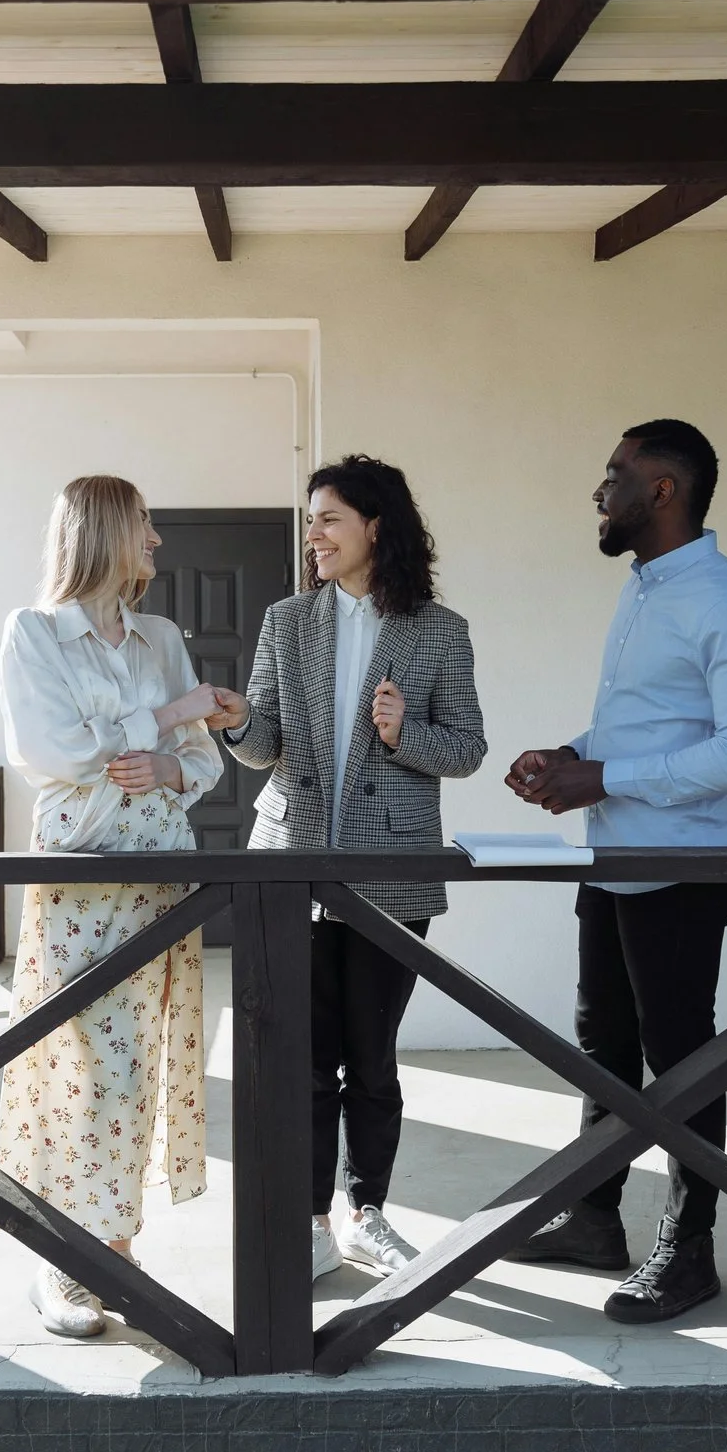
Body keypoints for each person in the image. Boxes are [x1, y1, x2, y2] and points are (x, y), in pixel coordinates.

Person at [502, 419, 727, 1324]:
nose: (601, 489)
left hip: (685, 864)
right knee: (605, 1047)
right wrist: (569, 756)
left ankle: (690, 1250)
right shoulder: (645, 588)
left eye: (616, 473)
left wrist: (605, 777)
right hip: (615, 856)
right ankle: (594, 1219)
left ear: (663, 490)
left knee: (682, 1060)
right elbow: (645, 726)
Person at [209, 455, 487, 1282]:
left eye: (329, 518)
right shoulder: (287, 620)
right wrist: (239, 720)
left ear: (375, 525)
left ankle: (369, 1213)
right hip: (290, 865)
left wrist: (406, 735)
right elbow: (264, 746)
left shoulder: (441, 630)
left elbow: (467, 748)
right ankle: (310, 1223)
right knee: (302, 1059)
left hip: (393, 870)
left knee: (372, 1058)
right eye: (311, 521)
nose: (315, 535)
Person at [0, 475, 232, 1339]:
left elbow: (203, 761)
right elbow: (52, 751)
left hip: (161, 877)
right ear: (101, 532)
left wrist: (169, 759)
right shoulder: (32, 633)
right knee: (77, 1062)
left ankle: (115, 1251)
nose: (156, 541)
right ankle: (61, 1261)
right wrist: (167, 716)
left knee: (135, 1066)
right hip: (79, 879)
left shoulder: (159, 637)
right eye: (143, 525)